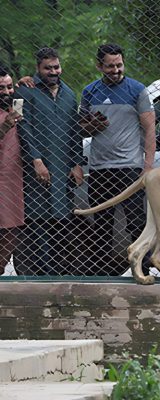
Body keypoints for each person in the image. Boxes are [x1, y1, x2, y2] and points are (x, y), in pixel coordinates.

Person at [79, 43, 156, 274]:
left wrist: (148, 166)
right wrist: (92, 125)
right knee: (101, 223)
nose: (116, 70)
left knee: (136, 220)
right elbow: (81, 128)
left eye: (119, 65)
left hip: (129, 167)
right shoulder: (90, 91)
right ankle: (101, 272)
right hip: (100, 168)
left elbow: (150, 127)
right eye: (110, 66)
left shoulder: (137, 90)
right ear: (99, 66)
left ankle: (143, 266)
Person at [13, 47, 84, 275]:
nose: (53, 72)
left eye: (56, 67)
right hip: (37, 166)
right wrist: (35, 159)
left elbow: (75, 131)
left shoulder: (70, 94)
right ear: (38, 68)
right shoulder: (22, 93)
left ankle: (60, 268)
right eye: (48, 68)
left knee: (62, 218)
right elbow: (21, 128)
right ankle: (42, 270)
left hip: (63, 165)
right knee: (38, 218)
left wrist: (76, 163)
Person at [0, 66, 24, 274]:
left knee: (12, 230)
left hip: (14, 178)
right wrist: (4, 127)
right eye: (2, 88)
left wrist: (26, 82)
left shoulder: (15, 107)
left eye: (9, 87)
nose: (7, 92)